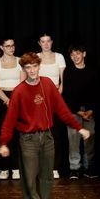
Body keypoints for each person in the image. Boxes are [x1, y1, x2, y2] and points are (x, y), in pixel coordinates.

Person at [0, 52, 90, 199]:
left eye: (34, 66)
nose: (32, 70)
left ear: (39, 66)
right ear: (24, 69)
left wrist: (79, 128)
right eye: (28, 67)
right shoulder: (19, 91)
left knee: (47, 178)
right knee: (30, 179)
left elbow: (62, 110)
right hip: (28, 139)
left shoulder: (47, 84)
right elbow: (9, 120)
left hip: (47, 136)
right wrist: (3, 142)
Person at [0, 37, 25, 180]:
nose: (11, 48)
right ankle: (3, 167)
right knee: (3, 131)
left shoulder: (20, 61)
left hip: (17, 97)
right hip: (1, 99)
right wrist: (6, 99)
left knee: (17, 133)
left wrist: (14, 100)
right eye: (8, 46)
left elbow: (22, 83)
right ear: (2, 47)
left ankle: (16, 167)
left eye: (12, 45)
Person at [62, 44, 97, 180]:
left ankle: (88, 167)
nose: (75, 57)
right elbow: (67, 94)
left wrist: (90, 110)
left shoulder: (92, 72)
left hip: (89, 111)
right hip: (73, 111)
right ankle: (74, 168)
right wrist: (78, 111)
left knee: (90, 138)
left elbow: (96, 93)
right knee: (74, 139)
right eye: (72, 55)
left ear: (84, 54)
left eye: (78, 53)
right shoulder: (68, 72)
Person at [37, 33, 67, 179]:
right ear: (39, 43)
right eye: (43, 42)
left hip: (56, 98)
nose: (46, 44)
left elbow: (63, 79)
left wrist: (57, 94)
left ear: (52, 42)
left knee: (56, 134)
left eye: (48, 41)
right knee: (40, 134)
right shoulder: (36, 57)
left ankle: (55, 167)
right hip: (40, 99)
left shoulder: (59, 57)